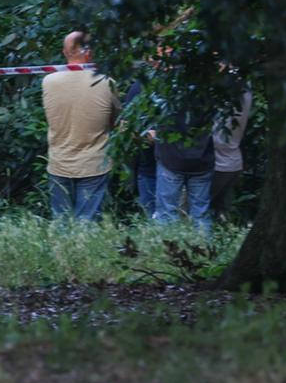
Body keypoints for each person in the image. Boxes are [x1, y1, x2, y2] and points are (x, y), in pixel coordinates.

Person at [42, 31, 121, 221]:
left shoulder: (48, 81)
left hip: (60, 162)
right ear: (89, 52)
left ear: (65, 52)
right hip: (94, 163)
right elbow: (116, 120)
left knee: (61, 223)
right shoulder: (106, 82)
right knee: (88, 225)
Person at [151, 96, 216, 232]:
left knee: (166, 215)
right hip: (202, 159)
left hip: (171, 159)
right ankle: (203, 245)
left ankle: (167, 244)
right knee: (201, 216)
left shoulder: (167, 92)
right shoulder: (210, 93)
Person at [211, 87, 254, 220]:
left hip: (218, 163)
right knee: (222, 211)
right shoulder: (246, 93)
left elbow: (216, 138)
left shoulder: (225, 93)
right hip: (233, 162)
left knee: (194, 208)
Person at [121, 79, 158, 216]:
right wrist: (144, 135)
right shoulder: (139, 87)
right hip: (149, 163)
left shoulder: (139, 86)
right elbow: (125, 126)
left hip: (172, 164)